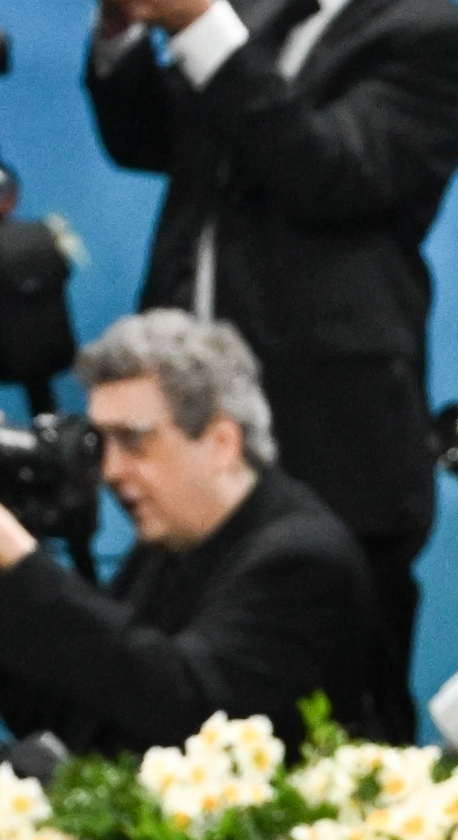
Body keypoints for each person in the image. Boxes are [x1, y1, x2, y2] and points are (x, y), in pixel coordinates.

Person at [82, 0, 458, 736]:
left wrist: (205, 31)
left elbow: (327, 172)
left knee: (338, 730)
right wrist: (121, 35)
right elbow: (153, 139)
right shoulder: (252, 3)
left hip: (333, 440)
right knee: (163, 699)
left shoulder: (433, 36)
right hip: (194, 441)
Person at [0, 306, 375, 756]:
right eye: (103, 442)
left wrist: (22, 565)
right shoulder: (168, 543)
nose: (111, 470)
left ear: (221, 444)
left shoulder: (302, 560)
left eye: (134, 440)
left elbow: (194, 716)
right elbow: (81, 715)